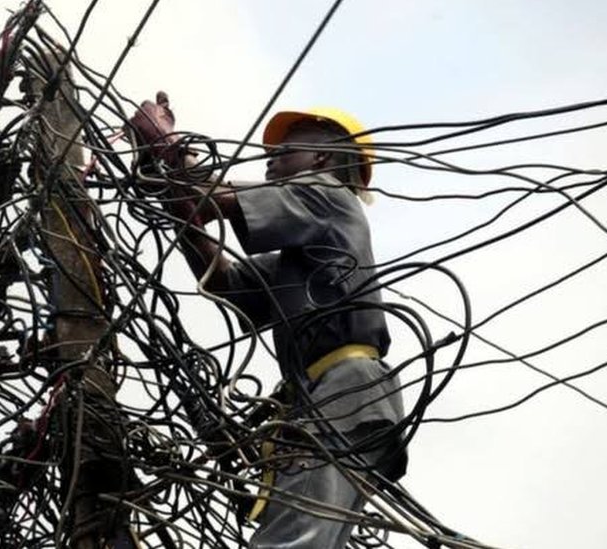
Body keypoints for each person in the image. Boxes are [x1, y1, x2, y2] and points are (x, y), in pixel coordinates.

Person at [129, 92, 407, 548]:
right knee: (301, 535)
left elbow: (212, 199)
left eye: (283, 151)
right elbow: (224, 282)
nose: (269, 160)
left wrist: (167, 144)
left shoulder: (327, 195)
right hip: (324, 398)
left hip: (346, 389)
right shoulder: (304, 255)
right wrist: (169, 187)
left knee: (291, 540)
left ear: (322, 156)